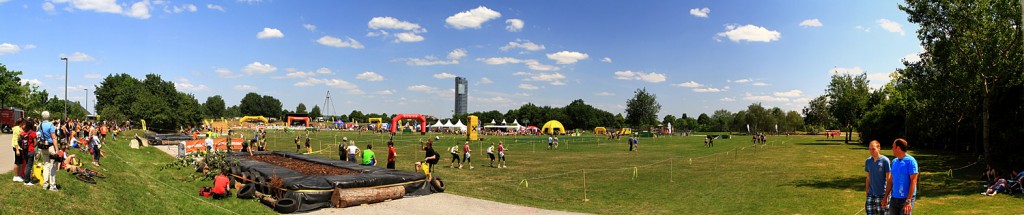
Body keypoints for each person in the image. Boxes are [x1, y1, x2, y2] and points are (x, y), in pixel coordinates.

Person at [885, 138, 918, 215]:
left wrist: (908, 201)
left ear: (898, 148)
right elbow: (890, 180)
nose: (892, 149)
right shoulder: (894, 161)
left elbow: (914, 181)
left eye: (893, 147)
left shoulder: (911, 161)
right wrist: (886, 196)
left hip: (905, 199)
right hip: (894, 198)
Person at [864, 140, 891, 215]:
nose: (871, 151)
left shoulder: (885, 160)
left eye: (873, 149)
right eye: (870, 149)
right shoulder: (868, 161)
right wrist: (867, 192)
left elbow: (889, 178)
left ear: (879, 148)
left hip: (882, 194)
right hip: (871, 194)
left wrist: (887, 195)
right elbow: (868, 177)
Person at [38, 111, 60, 191]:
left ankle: (45, 184)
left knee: (46, 165)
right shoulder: (51, 125)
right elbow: (54, 138)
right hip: (51, 146)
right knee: (53, 165)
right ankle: (52, 185)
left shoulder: (40, 125)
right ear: (49, 117)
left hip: (43, 147)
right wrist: (57, 149)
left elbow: (39, 136)